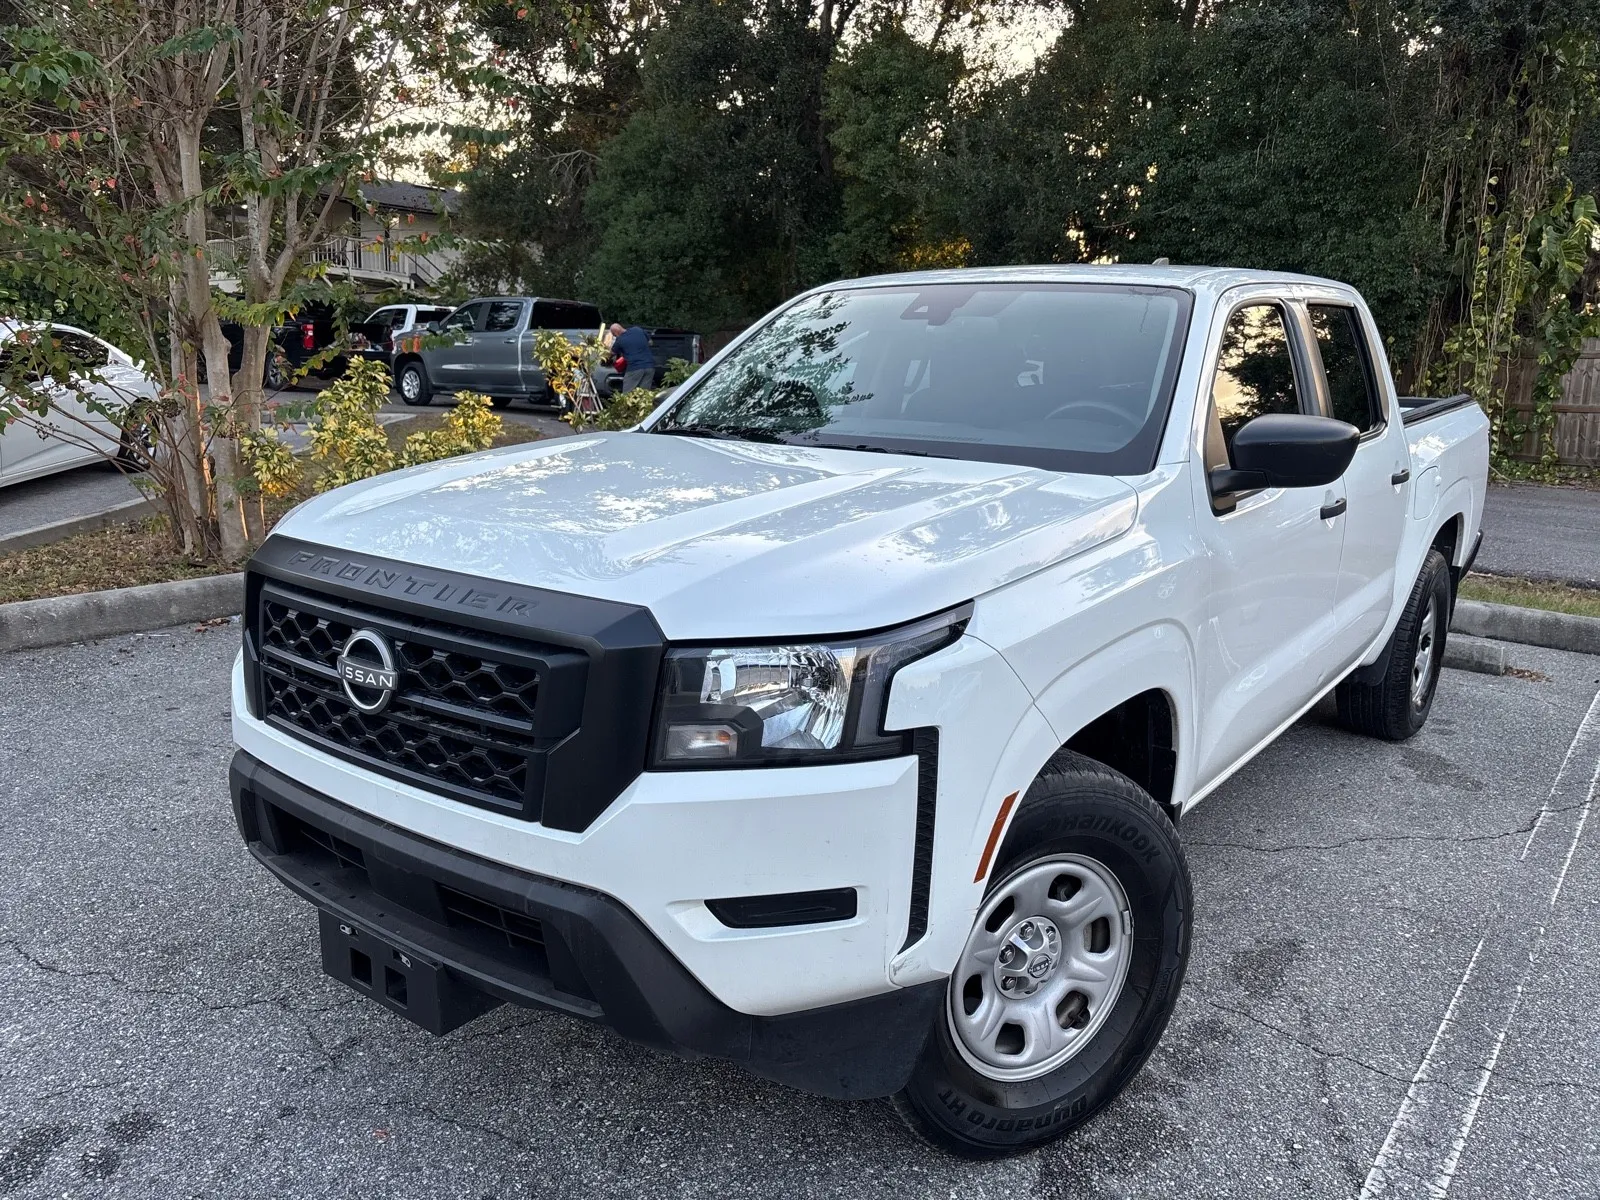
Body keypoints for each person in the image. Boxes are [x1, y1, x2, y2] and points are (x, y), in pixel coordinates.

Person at [608, 322, 655, 392]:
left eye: (614, 335)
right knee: (644, 394)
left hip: (635, 368)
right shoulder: (637, 329)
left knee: (627, 394)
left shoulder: (619, 340)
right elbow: (651, 342)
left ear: (616, 333)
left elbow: (611, 354)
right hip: (650, 366)